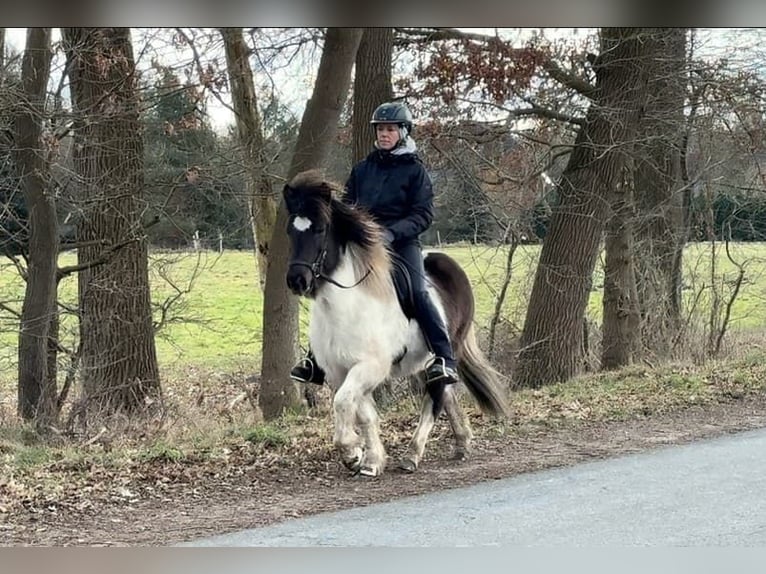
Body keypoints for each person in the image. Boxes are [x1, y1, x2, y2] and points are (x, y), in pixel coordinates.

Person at [290, 101, 458, 387]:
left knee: (417, 292)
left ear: (404, 132)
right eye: (380, 129)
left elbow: (423, 214)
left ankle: (444, 358)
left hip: (401, 244)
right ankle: (315, 360)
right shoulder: (363, 169)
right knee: (327, 289)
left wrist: (392, 233)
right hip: (363, 245)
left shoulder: (415, 172)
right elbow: (349, 207)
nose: (383, 134)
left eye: (390, 129)